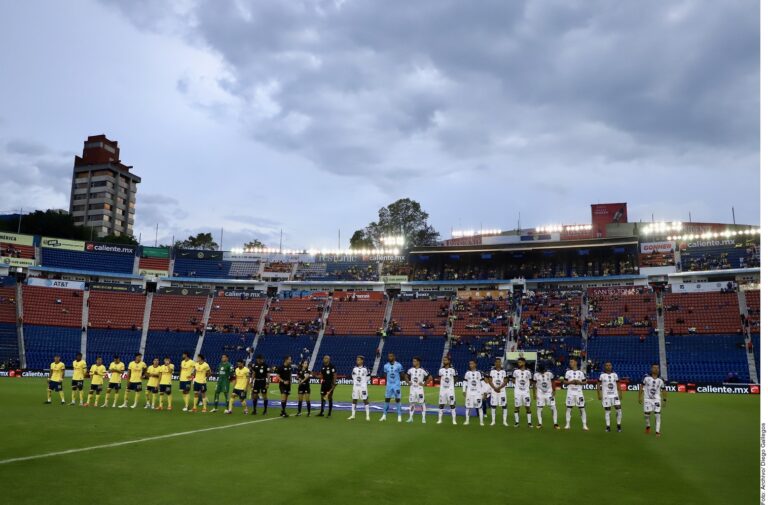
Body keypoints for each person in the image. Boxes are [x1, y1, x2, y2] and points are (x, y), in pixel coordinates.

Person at [640, 363, 667, 437]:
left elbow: (664, 389)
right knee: (646, 415)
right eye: (654, 367)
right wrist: (640, 397)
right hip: (647, 399)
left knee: (657, 415)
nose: (656, 369)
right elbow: (641, 386)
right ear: (651, 369)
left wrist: (664, 399)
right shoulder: (646, 377)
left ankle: (657, 431)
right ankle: (648, 426)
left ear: (659, 369)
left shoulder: (661, 379)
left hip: (657, 400)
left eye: (657, 368)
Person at [564, 358, 588, 430]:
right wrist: (571, 382)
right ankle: (567, 424)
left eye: (571, 362)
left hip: (579, 393)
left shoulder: (581, 373)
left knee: (582, 409)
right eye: (570, 362)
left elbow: (585, 382)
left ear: (575, 363)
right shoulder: (568, 372)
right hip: (570, 393)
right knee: (568, 408)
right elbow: (565, 382)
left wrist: (579, 382)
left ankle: (584, 425)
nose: (570, 363)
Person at [598, 361, 622, 432]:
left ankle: (618, 425)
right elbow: (598, 384)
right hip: (606, 396)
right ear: (605, 367)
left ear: (611, 366)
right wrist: (599, 394)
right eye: (607, 365)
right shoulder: (602, 375)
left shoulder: (615, 374)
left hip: (615, 395)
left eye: (609, 365)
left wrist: (620, 393)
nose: (608, 366)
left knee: (619, 410)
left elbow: (618, 384)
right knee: (607, 411)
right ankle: (608, 426)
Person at [380, 352, 405, 422]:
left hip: (396, 385)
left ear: (394, 357)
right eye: (389, 356)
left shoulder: (399, 365)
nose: (389, 357)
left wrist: (397, 380)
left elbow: (402, 374)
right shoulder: (385, 366)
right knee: (387, 399)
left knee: (397, 399)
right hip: (389, 385)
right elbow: (385, 374)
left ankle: (399, 416)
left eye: (391, 356)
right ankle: (384, 415)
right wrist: (389, 381)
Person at [533, 362, 559, 429]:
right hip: (540, 393)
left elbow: (553, 381)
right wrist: (534, 393)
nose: (540, 368)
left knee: (553, 407)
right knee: (539, 408)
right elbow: (534, 384)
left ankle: (555, 423)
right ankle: (540, 423)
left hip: (549, 393)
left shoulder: (549, 374)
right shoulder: (536, 375)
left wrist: (554, 390)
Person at [406, 357, 432, 424]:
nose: (413, 362)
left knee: (422, 403)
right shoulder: (411, 369)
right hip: (412, 389)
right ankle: (410, 418)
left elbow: (430, 377)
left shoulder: (423, 370)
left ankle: (423, 418)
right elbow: (406, 375)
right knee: (412, 403)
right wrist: (408, 382)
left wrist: (424, 384)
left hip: (419, 389)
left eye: (414, 361)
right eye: (413, 361)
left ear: (418, 362)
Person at [486, 357, 509, 427]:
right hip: (494, 391)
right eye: (496, 362)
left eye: (499, 362)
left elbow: (505, 381)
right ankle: (493, 421)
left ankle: (504, 421)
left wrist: (499, 388)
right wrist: (495, 388)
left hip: (502, 391)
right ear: (495, 363)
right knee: (493, 406)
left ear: (501, 363)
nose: (498, 363)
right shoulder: (492, 371)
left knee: (504, 406)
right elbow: (490, 381)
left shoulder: (504, 371)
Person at [511, 358, 533, 428]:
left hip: (526, 392)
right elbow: (513, 380)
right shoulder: (515, 371)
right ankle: (517, 422)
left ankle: (529, 423)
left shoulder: (528, 372)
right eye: (518, 362)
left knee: (528, 407)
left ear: (524, 363)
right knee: (517, 407)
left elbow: (530, 381)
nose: (518, 364)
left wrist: (526, 387)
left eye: (520, 362)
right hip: (517, 392)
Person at [348, 356, 370, 421]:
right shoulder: (354, 368)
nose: (357, 361)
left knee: (365, 400)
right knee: (354, 399)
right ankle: (353, 415)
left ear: (362, 361)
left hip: (363, 387)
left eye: (358, 360)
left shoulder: (365, 369)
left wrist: (363, 382)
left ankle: (367, 416)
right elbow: (353, 376)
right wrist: (356, 382)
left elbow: (368, 377)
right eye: (357, 360)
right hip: (356, 387)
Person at [437, 356, 457, 425]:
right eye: (443, 360)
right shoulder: (441, 370)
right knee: (441, 404)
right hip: (442, 389)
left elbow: (456, 377)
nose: (444, 361)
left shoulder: (452, 370)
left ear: (449, 361)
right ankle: (440, 419)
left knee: (452, 404)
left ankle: (454, 420)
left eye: (445, 360)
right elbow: (439, 377)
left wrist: (452, 385)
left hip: (450, 389)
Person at [463, 359, 484, 426]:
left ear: (475, 364)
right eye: (470, 364)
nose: (470, 365)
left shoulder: (479, 373)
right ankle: (467, 421)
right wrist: (464, 390)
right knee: (468, 407)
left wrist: (483, 393)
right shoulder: (467, 373)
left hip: (478, 393)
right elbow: (465, 382)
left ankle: (481, 422)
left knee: (480, 407)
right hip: (469, 392)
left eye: (472, 363)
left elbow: (482, 383)